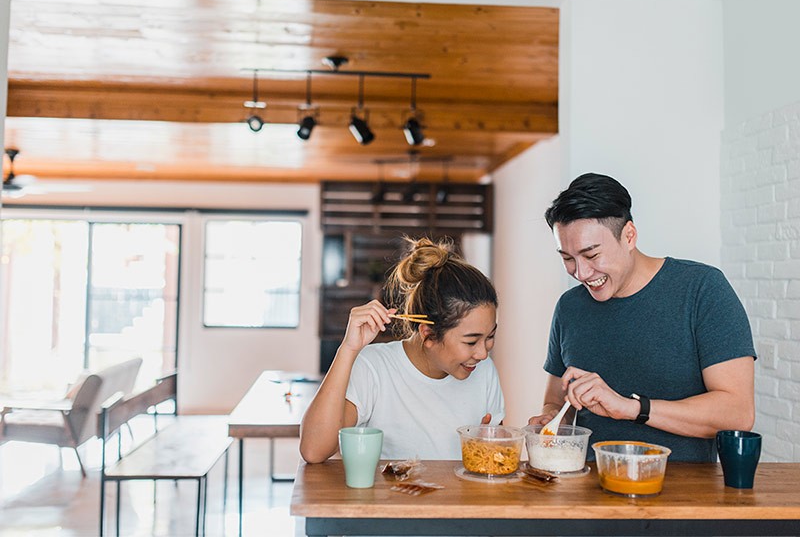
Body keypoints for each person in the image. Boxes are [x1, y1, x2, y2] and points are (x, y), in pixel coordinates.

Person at [529, 173, 756, 462]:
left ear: (629, 236)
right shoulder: (570, 307)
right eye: (567, 258)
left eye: (592, 255)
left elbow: (738, 413)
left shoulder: (701, 289)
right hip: (589, 496)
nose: (581, 273)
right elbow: (556, 402)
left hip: (684, 498)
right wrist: (550, 420)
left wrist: (632, 408)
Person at [300, 236, 504, 462]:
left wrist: (490, 447)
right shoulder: (375, 367)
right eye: (471, 341)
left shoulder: (484, 372)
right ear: (428, 333)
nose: (483, 354)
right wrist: (348, 349)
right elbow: (314, 450)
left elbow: (496, 458)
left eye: (490, 337)